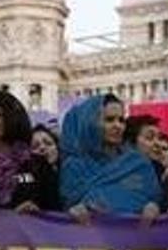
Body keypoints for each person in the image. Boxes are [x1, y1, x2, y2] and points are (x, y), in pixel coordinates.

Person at [59, 94, 162, 222]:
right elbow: (69, 208)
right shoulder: (74, 166)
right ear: (91, 123)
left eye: (121, 120)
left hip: (135, 238)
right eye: (109, 120)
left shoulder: (138, 164)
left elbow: (155, 199)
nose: (117, 125)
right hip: (90, 239)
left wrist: (154, 206)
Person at [124, 112, 168, 182]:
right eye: (150, 137)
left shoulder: (162, 174)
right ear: (130, 143)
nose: (158, 143)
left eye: (159, 138)